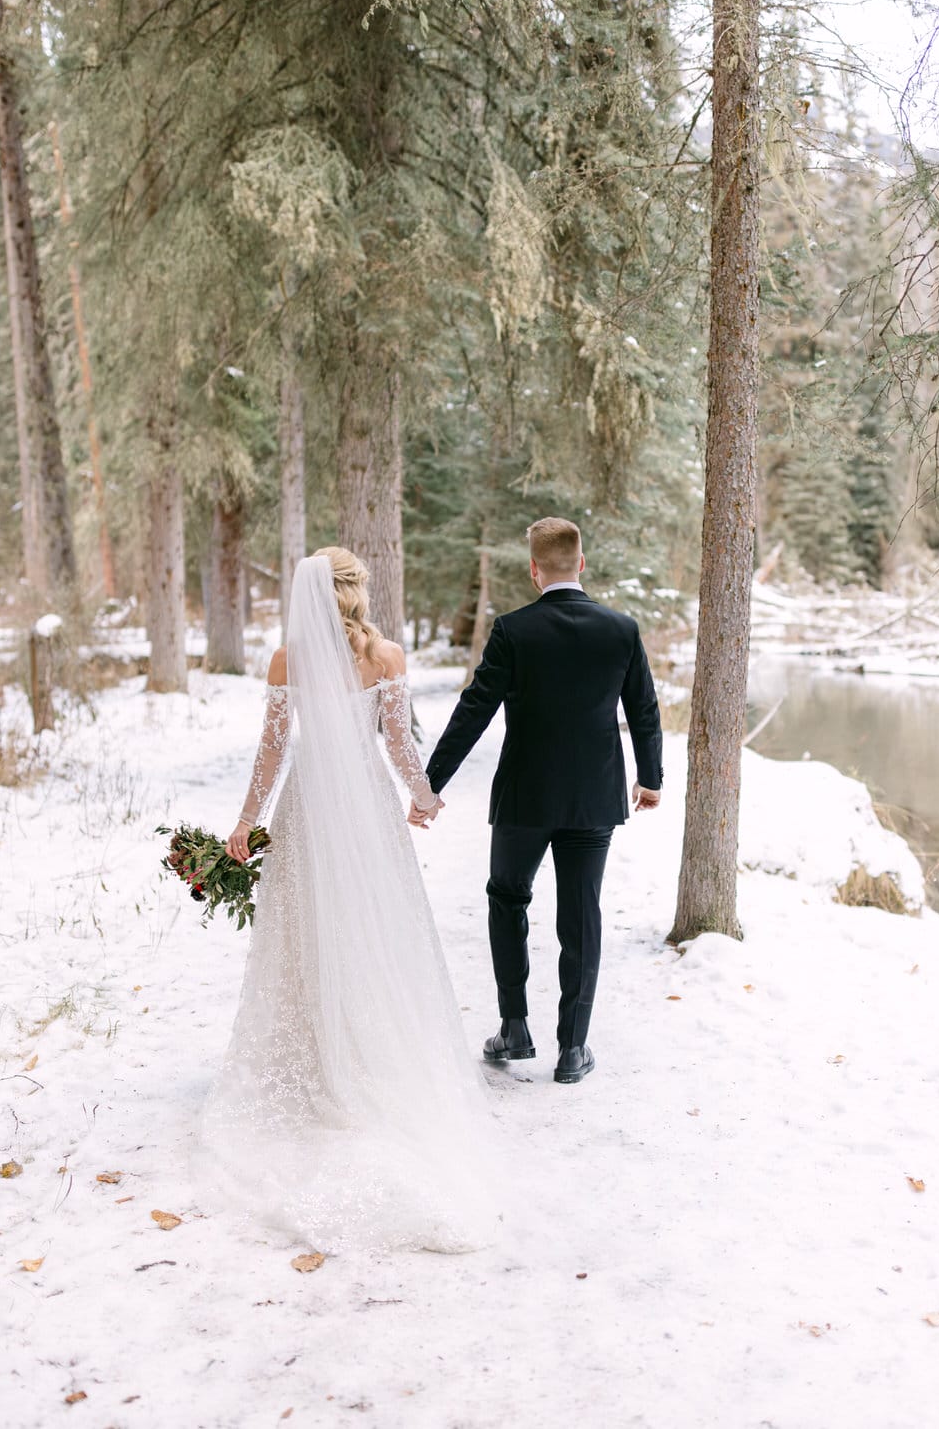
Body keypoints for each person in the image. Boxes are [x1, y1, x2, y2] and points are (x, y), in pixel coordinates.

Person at [201, 549, 495, 1254]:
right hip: (363, 802)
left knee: (309, 925)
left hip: (310, 804)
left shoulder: (286, 662)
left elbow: (271, 754)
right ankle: (365, 1043)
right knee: (372, 926)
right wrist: (423, 799)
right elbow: (399, 747)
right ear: (358, 593)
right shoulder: (386, 655)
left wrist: (245, 821)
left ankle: (322, 1045)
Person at [416, 517, 663, 1085]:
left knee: (507, 898)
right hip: (593, 800)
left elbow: (473, 710)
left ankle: (515, 1026)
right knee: (582, 916)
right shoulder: (621, 629)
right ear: (581, 563)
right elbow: (644, 710)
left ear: (534, 571)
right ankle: (573, 1049)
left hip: (525, 797)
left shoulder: (512, 631)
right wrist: (649, 779)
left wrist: (431, 786)